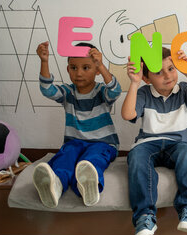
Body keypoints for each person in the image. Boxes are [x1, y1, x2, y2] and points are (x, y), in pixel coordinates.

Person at [121, 47, 187, 235]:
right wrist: (134, 84)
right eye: (158, 72)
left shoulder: (185, 90)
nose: (167, 76)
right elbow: (128, 114)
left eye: (171, 69)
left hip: (178, 144)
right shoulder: (144, 92)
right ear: (147, 78)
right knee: (136, 157)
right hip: (148, 144)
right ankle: (145, 217)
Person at [33, 41, 122, 208]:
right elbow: (47, 89)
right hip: (74, 142)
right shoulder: (68, 92)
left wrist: (101, 65)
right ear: (68, 70)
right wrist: (44, 61)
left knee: (91, 160)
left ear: (96, 71)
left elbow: (115, 91)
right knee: (66, 156)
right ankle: (56, 185)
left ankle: (89, 187)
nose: (79, 73)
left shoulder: (102, 91)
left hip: (103, 143)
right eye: (73, 68)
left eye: (86, 68)